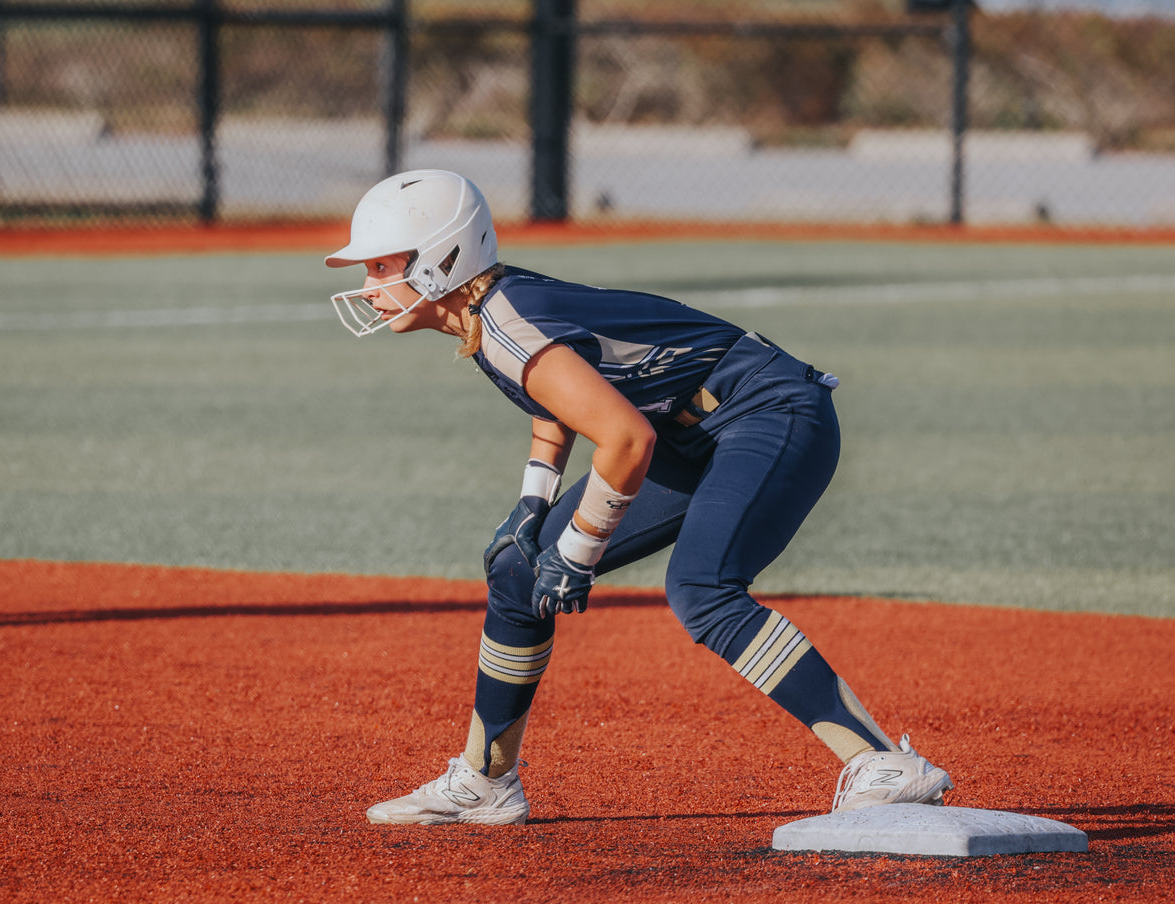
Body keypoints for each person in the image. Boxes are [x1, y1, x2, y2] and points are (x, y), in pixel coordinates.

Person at [325, 169, 952, 826]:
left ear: (440, 261)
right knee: (514, 568)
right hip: (693, 429)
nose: (368, 287)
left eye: (380, 266)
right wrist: (532, 503)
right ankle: (486, 780)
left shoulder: (504, 320)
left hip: (770, 411)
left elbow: (623, 438)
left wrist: (577, 547)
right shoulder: (493, 312)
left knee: (702, 587)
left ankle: (885, 762)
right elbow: (559, 398)